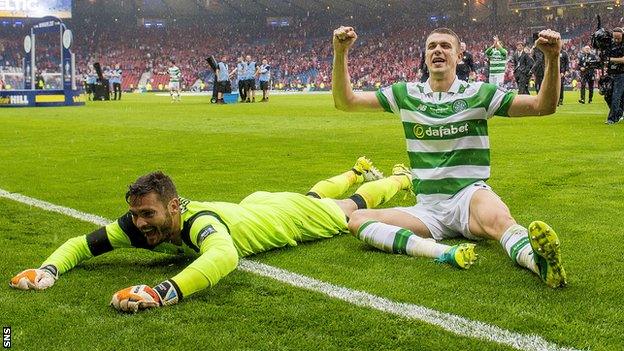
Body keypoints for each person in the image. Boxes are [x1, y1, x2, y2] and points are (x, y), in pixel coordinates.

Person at [9, 158, 473, 312]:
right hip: (253, 206)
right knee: (315, 193)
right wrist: (48, 268)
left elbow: (223, 256)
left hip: (284, 218)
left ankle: (398, 180)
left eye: (149, 215)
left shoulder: (198, 225)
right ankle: (356, 169)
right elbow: (83, 245)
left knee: (343, 207)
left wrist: (164, 291)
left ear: (174, 206)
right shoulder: (139, 223)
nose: (141, 224)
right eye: (136, 216)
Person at [331, 25, 566, 288]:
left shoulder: (479, 93)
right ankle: (441, 252)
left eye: (445, 46)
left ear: (458, 57)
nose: (438, 50)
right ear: (425, 56)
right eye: (431, 46)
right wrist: (340, 53)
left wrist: (552, 58)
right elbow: (345, 101)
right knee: (358, 220)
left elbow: (542, 106)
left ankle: (538, 262)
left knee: (500, 220)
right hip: (427, 209)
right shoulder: (405, 94)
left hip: (468, 197)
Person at [605, 28, 624, 125]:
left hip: (621, 74)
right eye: (614, 38)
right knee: (607, 95)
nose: (616, 40)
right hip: (611, 73)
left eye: (618, 38)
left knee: (616, 96)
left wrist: (609, 59)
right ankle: (619, 112)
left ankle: (612, 118)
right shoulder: (611, 45)